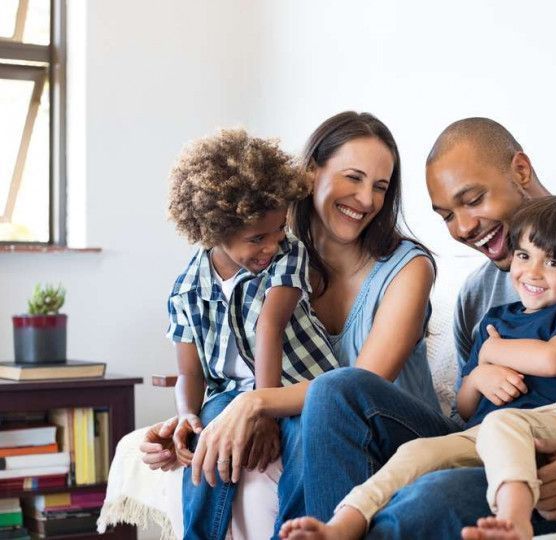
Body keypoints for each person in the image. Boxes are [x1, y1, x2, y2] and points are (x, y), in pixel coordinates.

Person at [291, 117, 556, 538]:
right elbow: (466, 415)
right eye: (446, 216)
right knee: (337, 391)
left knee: (428, 500)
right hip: (489, 450)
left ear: (521, 170)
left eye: (473, 199)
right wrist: (480, 376)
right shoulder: (477, 295)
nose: (463, 228)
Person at [139, 112, 448, 539]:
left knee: (325, 404)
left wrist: (256, 403)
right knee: (224, 431)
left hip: (395, 433)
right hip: (318, 421)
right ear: (310, 173)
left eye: (380, 186)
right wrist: (190, 421)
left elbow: (360, 387)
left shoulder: (407, 269)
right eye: (353, 178)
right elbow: (228, 360)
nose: (366, 199)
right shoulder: (273, 257)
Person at [280, 195, 556, 540]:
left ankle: (515, 520)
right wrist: (480, 372)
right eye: (524, 256)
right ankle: (343, 524)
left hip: (549, 430)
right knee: (416, 452)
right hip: (479, 434)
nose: (533, 272)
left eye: (554, 263)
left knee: (503, 422)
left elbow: (553, 359)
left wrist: (493, 351)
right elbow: (465, 407)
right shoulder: (496, 319)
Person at [163, 128, 340, 539]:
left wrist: (263, 409)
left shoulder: (287, 254)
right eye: (257, 238)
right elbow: (190, 373)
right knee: (209, 435)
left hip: (301, 386)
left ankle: (296, 532)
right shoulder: (186, 289)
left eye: (278, 229)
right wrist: (188, 414)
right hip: (229, 394)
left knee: (303, 439)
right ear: (212, 230)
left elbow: (269, 327)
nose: (271, 244)